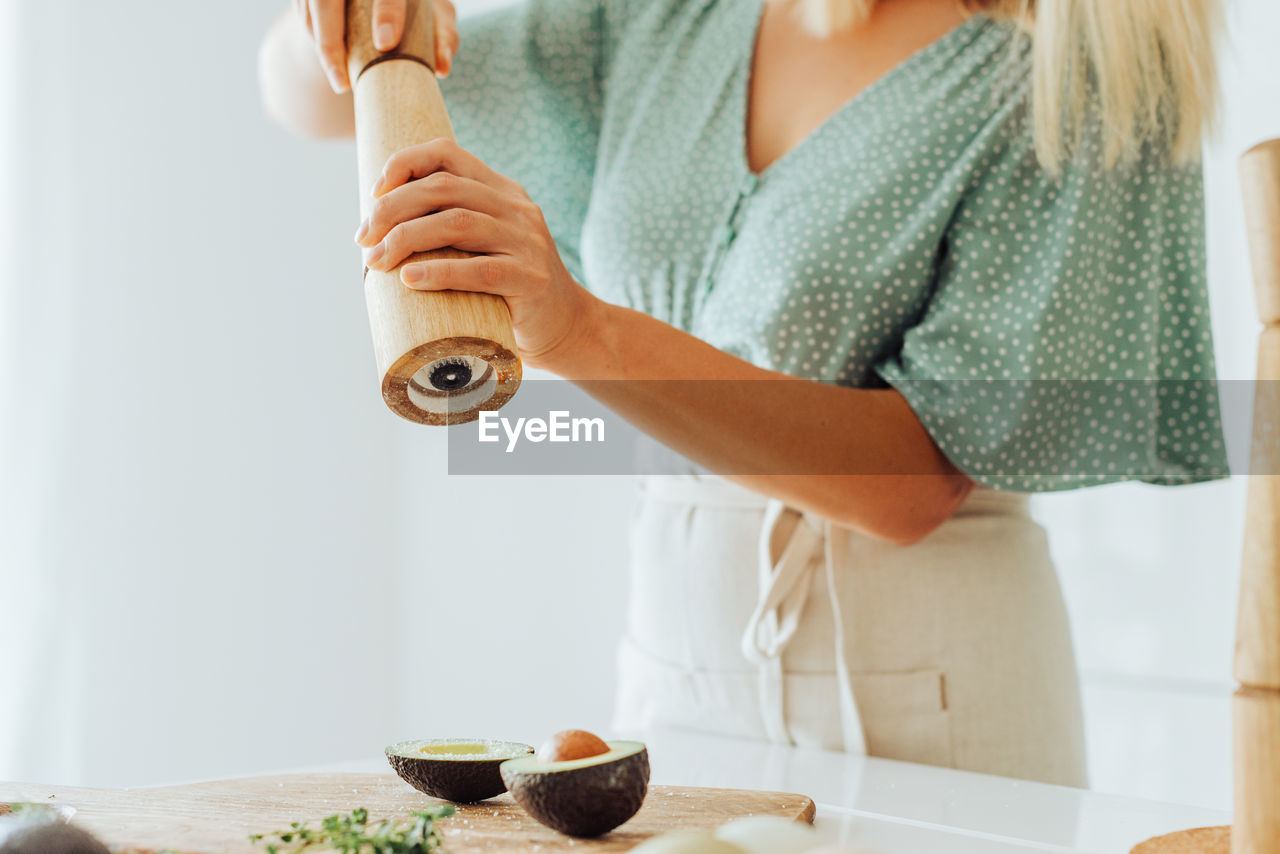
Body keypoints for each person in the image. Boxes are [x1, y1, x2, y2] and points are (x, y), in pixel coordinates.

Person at [258, 0, 1226, 786]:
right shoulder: (670, 21)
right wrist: (345, 25)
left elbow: (908, 489)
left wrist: (578, 329)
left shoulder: (1075, 68)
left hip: (933, 696)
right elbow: (316, 104)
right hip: (675, 660)